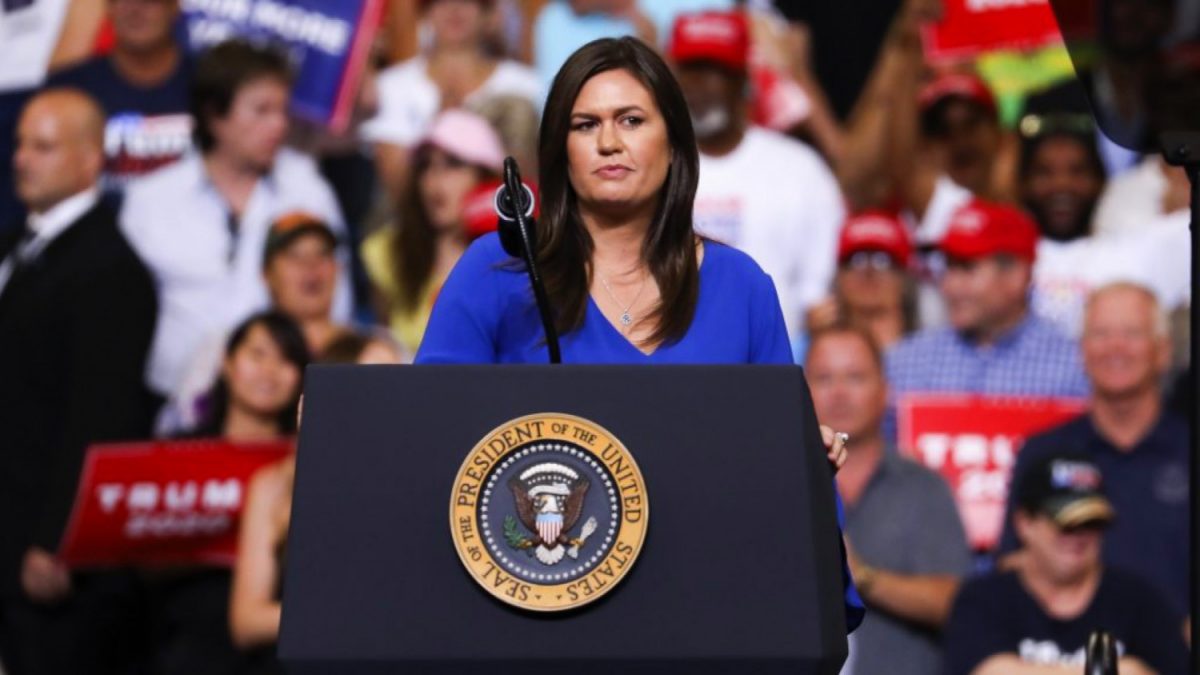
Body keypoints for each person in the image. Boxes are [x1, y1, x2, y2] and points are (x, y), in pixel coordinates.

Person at [413, 35, 862, 630]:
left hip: (708, 616)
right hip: (529, 620)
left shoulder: (742, 288)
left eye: (631, 120)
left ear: (674, 143)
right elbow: (425, 440)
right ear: (559, 150)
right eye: (585, 124)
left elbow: (784, 478)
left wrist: (805, 458)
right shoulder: (495, 272)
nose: (608, 142)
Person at [0, 88, 157, 674]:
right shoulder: (18, 243)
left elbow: (102, 417)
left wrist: (60, 539)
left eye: (42, 147)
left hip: (48, 551)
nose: (21, 158)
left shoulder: (110, 270)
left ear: (91, 161)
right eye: (20, 144)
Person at [120, 40, 349, 403]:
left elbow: (337, 298)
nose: (278, 125)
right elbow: (122, 319)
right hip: (168, 406)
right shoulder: (151, 200)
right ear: (215, 115)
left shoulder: (307, 190)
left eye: (282, 111)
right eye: (261, 110)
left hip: (284, 404)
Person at [998, 283, 1190, 617]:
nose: (1115, 347)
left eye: (1132, 333)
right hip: (1064, 656)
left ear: (1163, 351)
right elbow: (1011, 565)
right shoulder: (1042, 452)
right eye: (1100, 334)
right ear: (1081, 351)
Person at [229, 317, 397, 673]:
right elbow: (246, 621)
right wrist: (350, 625)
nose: (395, 393)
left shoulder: (410, 482)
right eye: (378, 381)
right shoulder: (275, 485)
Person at [145, 311, 309, 675]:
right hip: (184, 635)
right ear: (227, 362)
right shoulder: (178, 454)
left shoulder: (303, 465)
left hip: (270, 650)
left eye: (286, 360)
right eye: (257, 354)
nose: (269, 371)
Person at [671, 9, 844, 342]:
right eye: (688, 71)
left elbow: (818, 297)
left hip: (775, 363)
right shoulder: (652, 167)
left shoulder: (801, 170)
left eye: (713, 71)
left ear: (743, 81)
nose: (696, 86)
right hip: (674, 362)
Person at [806, 324, 969, 675]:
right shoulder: (779, 487)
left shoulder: (924, 488)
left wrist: (861, 577)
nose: (839, 393)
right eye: (823, 378)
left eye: (855, 377)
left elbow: (957, 604)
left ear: (885, 392)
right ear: (801, 391)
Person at [942, 453, 1189, 674]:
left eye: (1091, 523)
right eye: (1066, 523)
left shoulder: (1138, 601)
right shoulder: (983, 599)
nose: (1078, 537)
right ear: (1024, 523)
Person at [160, 213, 395, 432]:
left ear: (338, 269)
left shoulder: (377, 350)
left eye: (323, 254)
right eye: (295, 256)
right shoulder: (226, 344)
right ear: (266, 273)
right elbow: (178, 425)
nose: (311, 268)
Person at [885, 199, 1089, 437]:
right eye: (948, 267)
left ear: (1016, 275)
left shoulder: (1075, 368)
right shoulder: (905, 363)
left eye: (966, 268)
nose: (950, 286)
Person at [362, 0, 543, 200]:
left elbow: (528, 179)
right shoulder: (391, 86)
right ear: (425, 11)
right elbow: (396, 184)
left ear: (489, 12)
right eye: (440, 1)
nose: (454, 8)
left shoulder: (526, 86)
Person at [361, 109, 506, 355]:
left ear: (487, 178)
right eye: (426, 165)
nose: (435, 180)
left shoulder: (516, 255)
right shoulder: (389, 252)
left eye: (453, 164)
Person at [48, 0, 192, 202]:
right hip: (94, 229)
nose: (135, 9)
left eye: (150, 2)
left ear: (174, 7)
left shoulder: (211, 85)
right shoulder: (65, 92)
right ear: (107, 8)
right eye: (122, 0)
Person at [805, 210, 916, 357]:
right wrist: (812, 342)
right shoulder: (808, 347)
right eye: (856, 260)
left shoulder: (931, 354)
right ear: (838, 276)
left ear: (903, 277)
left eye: (882, 261)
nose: (868, 271)